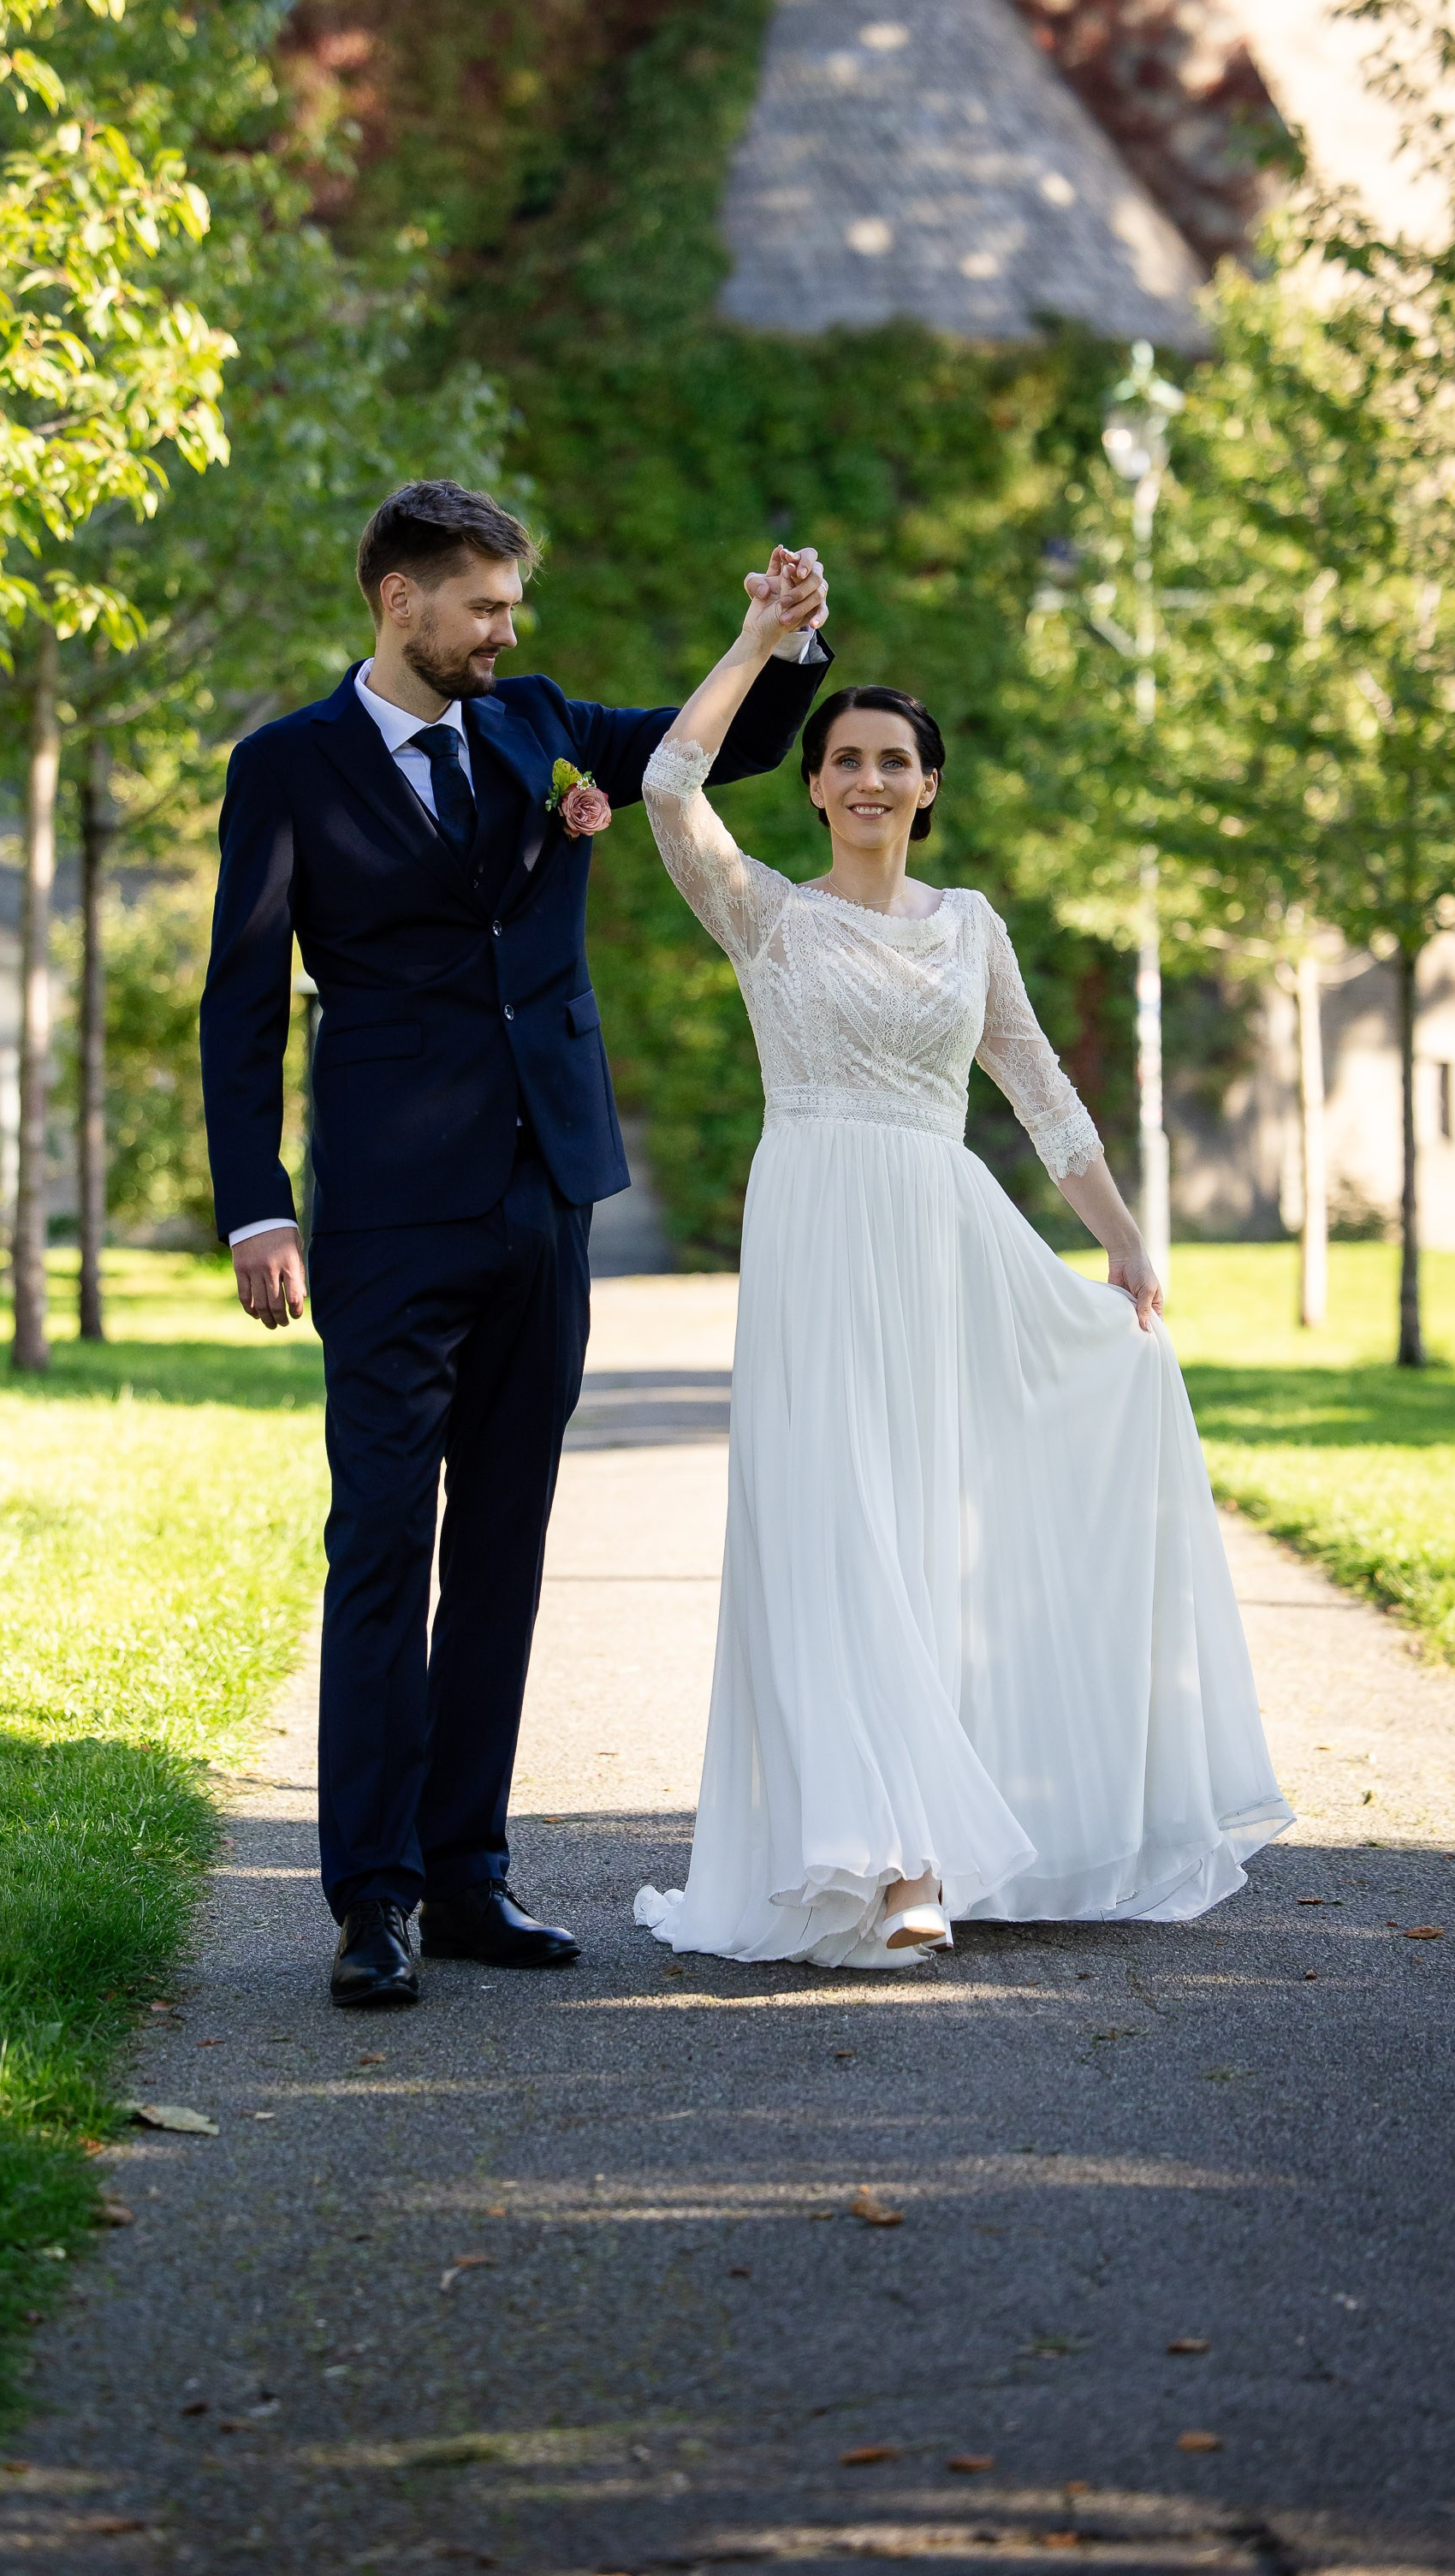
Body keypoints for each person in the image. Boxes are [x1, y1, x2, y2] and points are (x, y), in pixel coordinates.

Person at [200, 480, 831, 2006]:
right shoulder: (285, 766)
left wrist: (783, 640)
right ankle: (372, 1896)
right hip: (387, 1212)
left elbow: (723, 749)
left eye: (510, 607)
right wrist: (256, 1200)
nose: (505, 631)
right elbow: (238, 995)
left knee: (502, 1543)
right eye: (481, 606)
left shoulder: (538, 718)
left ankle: (470, 1873)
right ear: (398, 601)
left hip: (546, 1193)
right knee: (381, 1545)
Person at [632, 680, 1292, 1968]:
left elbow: (1041, 1089)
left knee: (922, 1528)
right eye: (845, 761)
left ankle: (921, 1842)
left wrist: (1122, 1235)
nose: (869, 780)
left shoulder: (971, 928)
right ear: (814, 785)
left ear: (929, 788)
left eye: (894, 761)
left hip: (937, 1235)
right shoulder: (765, 916)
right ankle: (890, 1861)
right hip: (813, 1226)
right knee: (831, 1531)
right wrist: (764, 645)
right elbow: (668, 787)